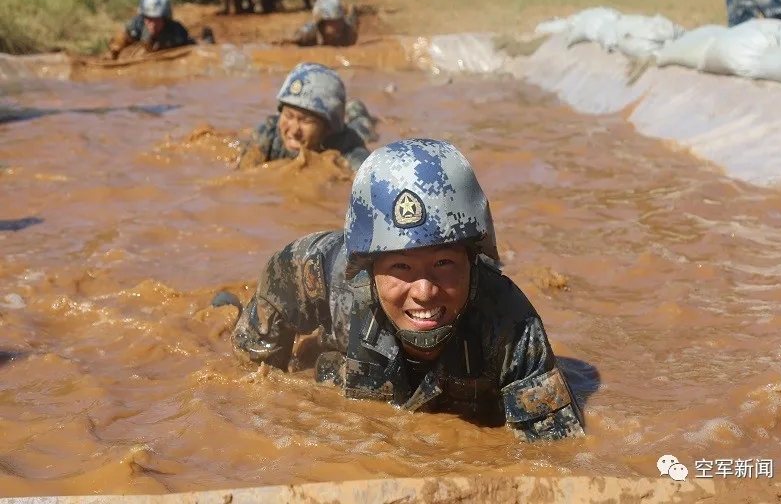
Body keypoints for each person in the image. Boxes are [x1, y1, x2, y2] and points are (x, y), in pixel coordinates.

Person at [216, 138, 586, 442]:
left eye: (443, 264)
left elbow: (555, 453)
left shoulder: (512, 325)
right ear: (368, 268)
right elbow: (249, 382)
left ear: (473, 262)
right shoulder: (314, 270)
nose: (424, 292)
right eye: (401, 267)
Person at [236, 62, 375, 172]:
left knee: (363, 127)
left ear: (329, 128)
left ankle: (356, 109)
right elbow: (243, 176)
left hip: (355, 130)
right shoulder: (269, 132)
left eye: (306, 121)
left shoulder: (348, 150)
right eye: (288, 116)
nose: (294, 130)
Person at [106, 0, 214, 61]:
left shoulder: (176, 32)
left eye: (156, 20)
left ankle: (207, 38)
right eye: (148, 19)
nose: (151, 23)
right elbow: (117, 44)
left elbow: (190, 51)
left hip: (175, 48)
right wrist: (113, 54)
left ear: (164, 19)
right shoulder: (136, 24)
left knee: (203, 45)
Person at [276, 0, 358, 47]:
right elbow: (284, 42)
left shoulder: (348, 32)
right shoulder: (307, 35)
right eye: (334, 22)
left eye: (340, 21)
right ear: (322, 23)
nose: (339, 25)